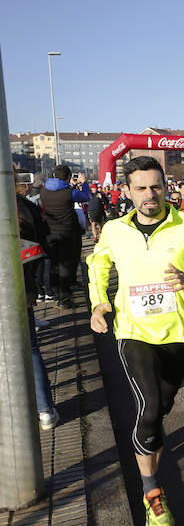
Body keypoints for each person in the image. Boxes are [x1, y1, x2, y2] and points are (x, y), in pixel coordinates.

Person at [87, 156, 184, 526]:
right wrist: (99, 301)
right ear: (127, 191)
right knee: (147, 408)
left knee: (159, 412)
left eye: (156, 186)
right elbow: (97, 264)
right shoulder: (115, 230)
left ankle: (150, 454)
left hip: (179, 334)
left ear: (166, 186)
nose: (150, 194)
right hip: (134, 332)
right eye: (142, 188)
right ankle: (152, 493)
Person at [16, 170, 59, 430]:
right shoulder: (25, 207)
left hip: (21, 287)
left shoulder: (25, 207)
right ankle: (44, 410)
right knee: (31, 351)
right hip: (23, 286)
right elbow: (42, 246)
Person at [39, 164, 91, 308]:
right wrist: (84, 183)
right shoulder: (69, 193)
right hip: (67, 233)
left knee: (54, 265)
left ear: (54, 175)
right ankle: (65, 299)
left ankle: (56, 295)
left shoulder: (43, 191)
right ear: (68, 178)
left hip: (50, 233)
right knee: (65, 265)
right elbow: (85, 196)